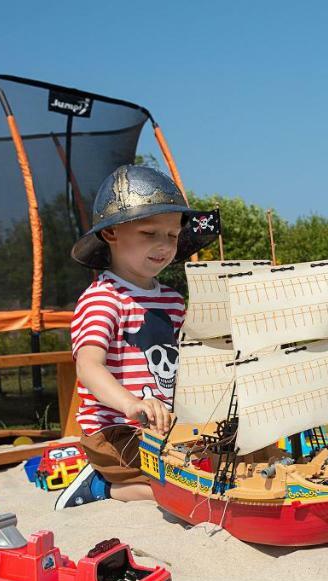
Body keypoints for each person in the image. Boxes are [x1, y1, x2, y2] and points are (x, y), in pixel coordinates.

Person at [55, 164, 207, 509]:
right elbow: (89, 367)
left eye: (171, 235)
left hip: (164, 427)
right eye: (149, 233)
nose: (164, 245)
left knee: (212, 470)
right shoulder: (103, 298)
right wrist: (130, 404)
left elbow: (188, 359)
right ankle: (100, 486)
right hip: (114, 431)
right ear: (112, 234)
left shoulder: (171, 299)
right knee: (175, 490)